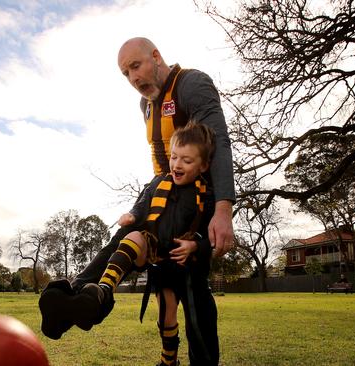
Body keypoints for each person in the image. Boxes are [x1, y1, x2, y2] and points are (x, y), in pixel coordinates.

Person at [39, 37, 235, 365]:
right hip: (161, 190)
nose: (133, 79)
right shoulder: (145, 105)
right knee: (122, 239)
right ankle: (82, 296)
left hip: (196, 204)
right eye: (125, 74)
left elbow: (220, 141)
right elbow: (160, 160)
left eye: (136, 66)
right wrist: (145, 203)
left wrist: (223, 208)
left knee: (192, 290)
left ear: (156, 56)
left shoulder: (192, 84)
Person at [84, 123, 216, 366]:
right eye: (174, 157)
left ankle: (169, 361)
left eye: (186, 161)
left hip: (184, 263)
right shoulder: (158, 182)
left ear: (203, 165)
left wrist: (195, 246)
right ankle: (103, 290)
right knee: (132, 237)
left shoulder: (206, 196)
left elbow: (212, 234)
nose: (177, 165)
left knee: (169, 317)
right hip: (157, 254)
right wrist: (132, 216)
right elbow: (142, 203)